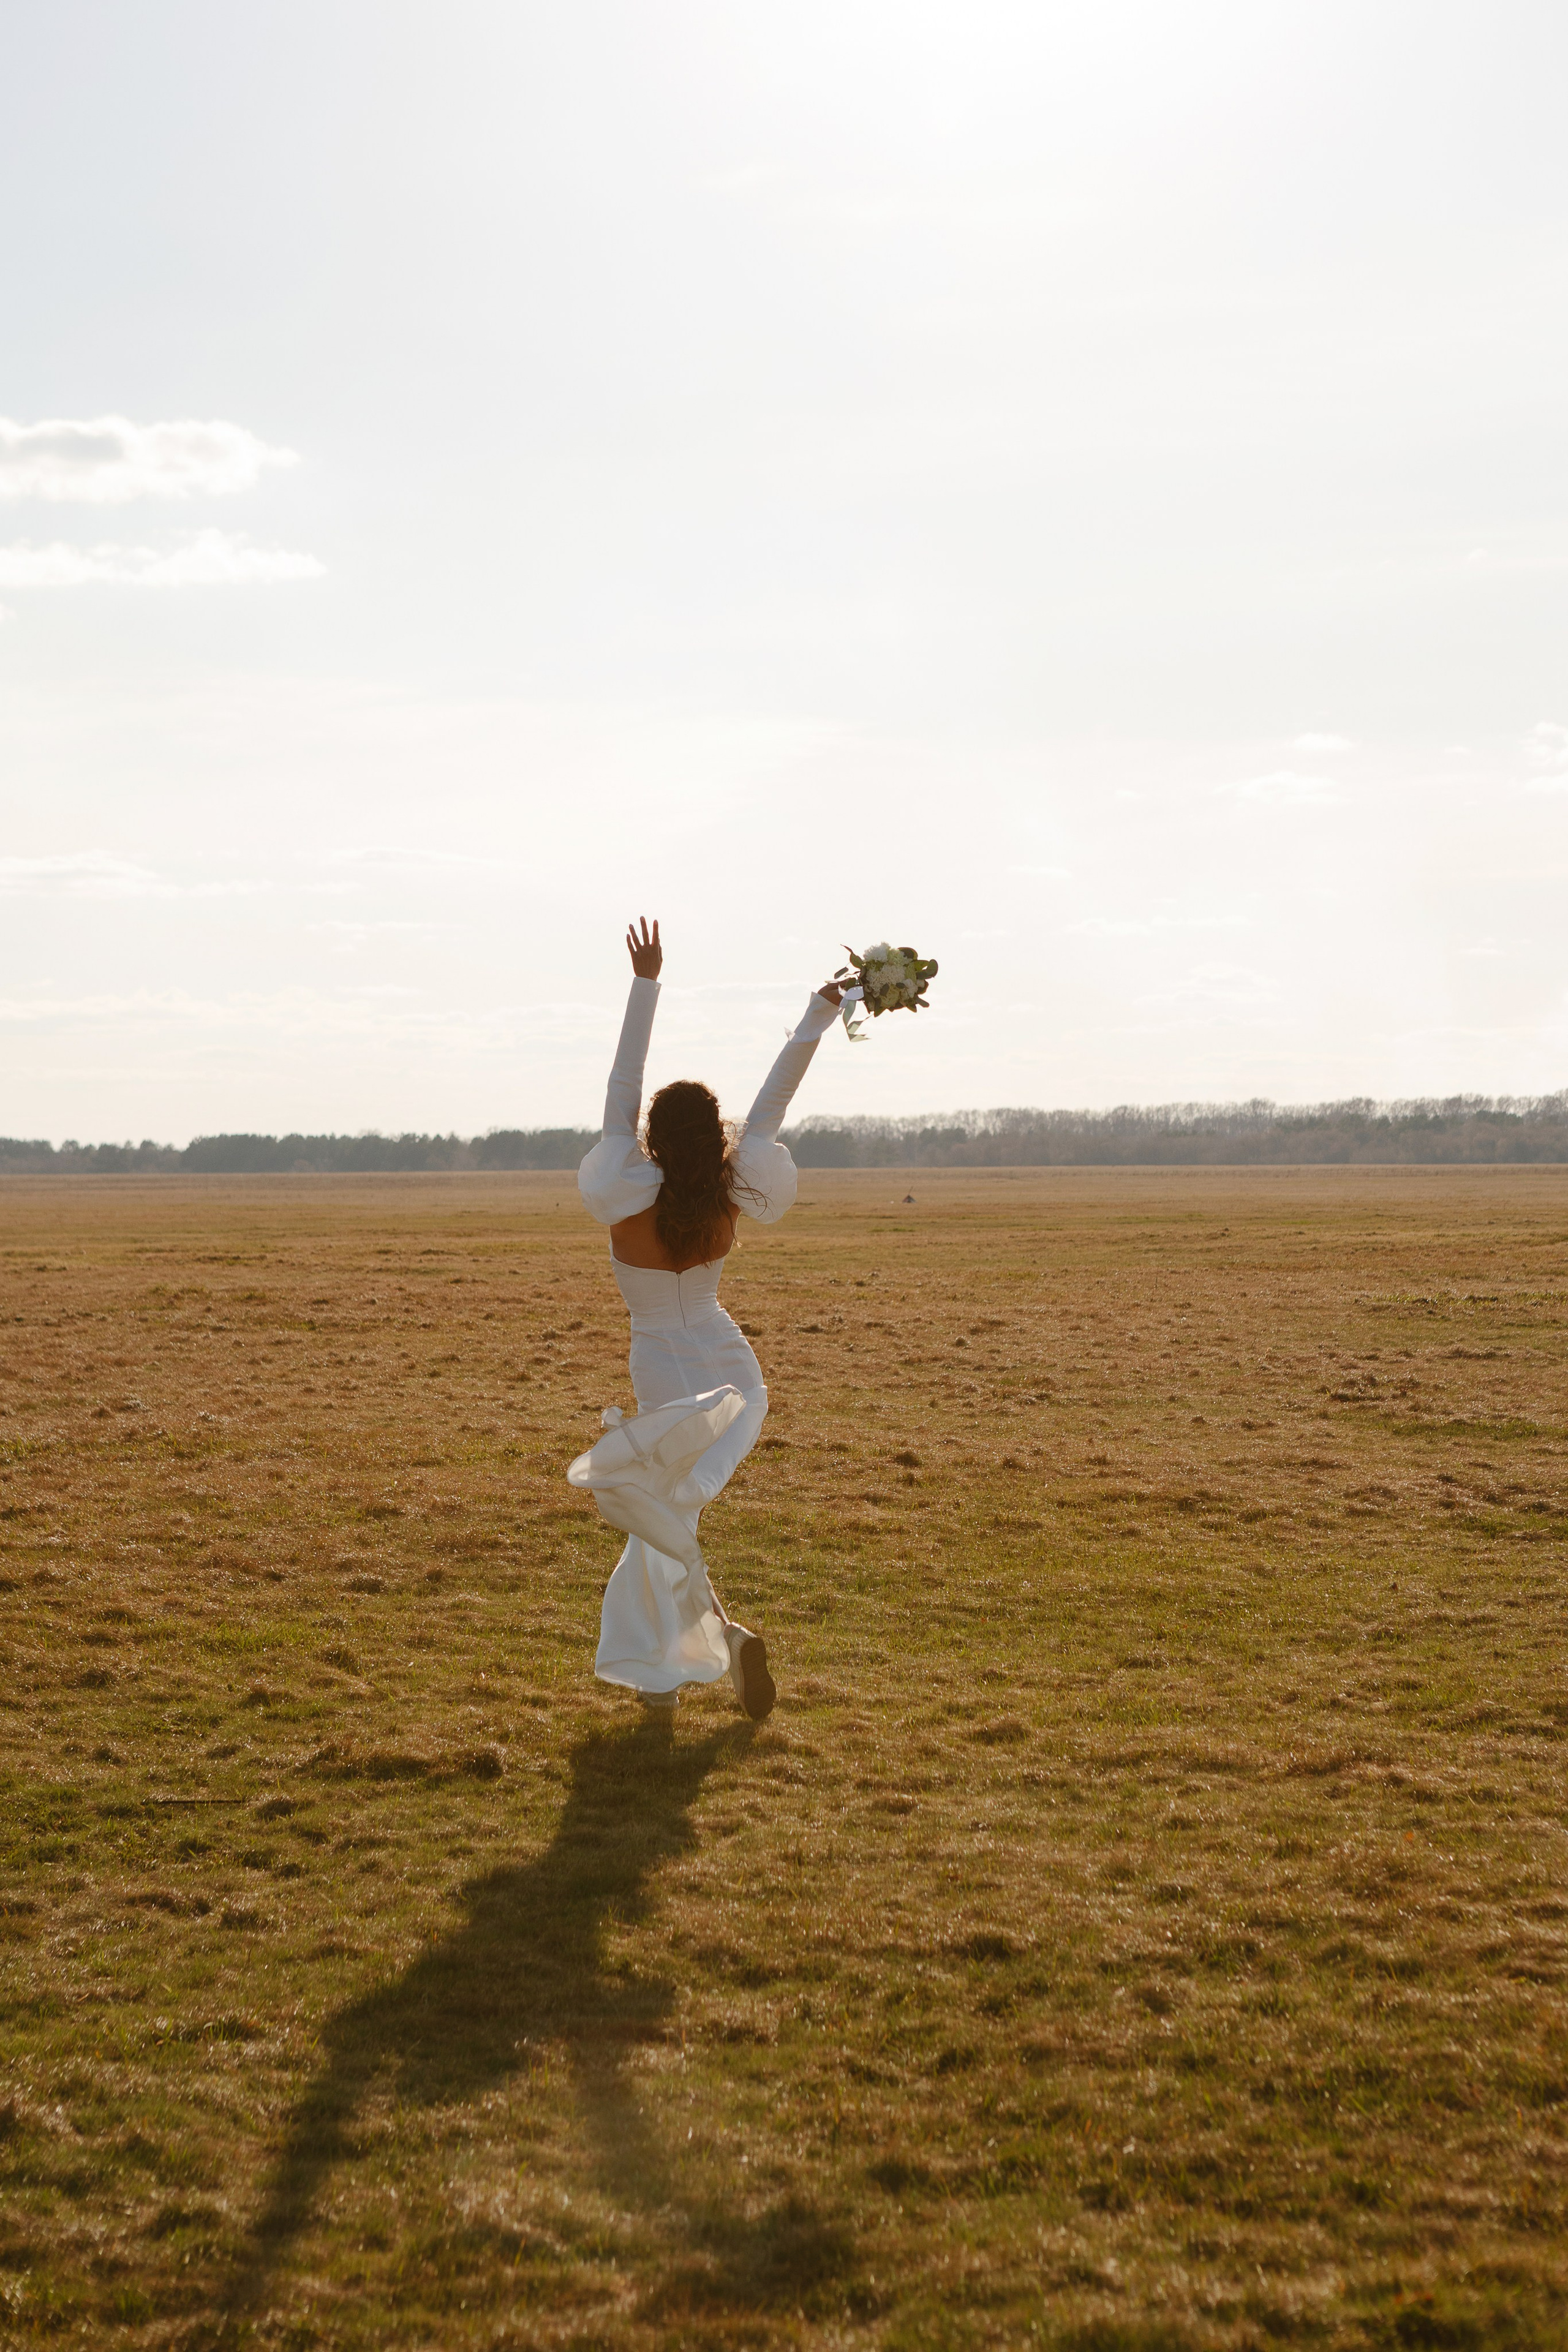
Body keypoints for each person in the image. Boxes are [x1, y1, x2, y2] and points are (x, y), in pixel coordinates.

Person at [569, 917, 844, 1719]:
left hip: (664, 1373)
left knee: (658, 1526)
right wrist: (817, 1014)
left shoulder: (624, 1188)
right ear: (714, 1135)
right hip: (736, 1376)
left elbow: (621, 1088)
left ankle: (666, 1680)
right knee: (667, 1519)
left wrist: (646, 983)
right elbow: (772, 1103)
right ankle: (723, 1642)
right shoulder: (730, 1193)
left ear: (651, 1138)